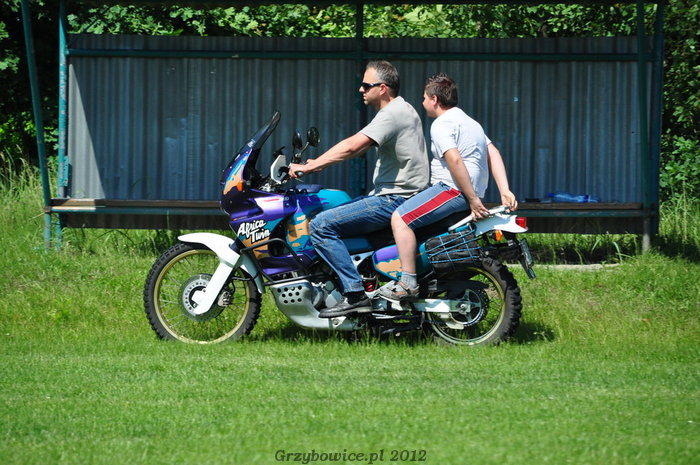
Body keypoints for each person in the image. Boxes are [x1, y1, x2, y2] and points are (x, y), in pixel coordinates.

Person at [289, 60, 429, 318]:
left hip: (394, 199)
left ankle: (354, 294)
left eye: (366, 85)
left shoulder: (392, 113)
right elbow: (359, 148)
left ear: (383, 88)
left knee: (320, 225)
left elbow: (353, 145)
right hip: (402, 196)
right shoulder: (402, 109)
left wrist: (311, 167)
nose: (360, 89)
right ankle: (363, 279)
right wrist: (317, 163)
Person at [378, 73, 518, 301]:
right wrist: (505, 189)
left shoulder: (442, 124)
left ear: (434, 99)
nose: (423, 102)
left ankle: (407, 283)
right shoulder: (470, 122)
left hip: (452, 190)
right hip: (465, 192)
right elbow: (493, 152)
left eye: (424, 98)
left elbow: (454, 159)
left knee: (400, 218)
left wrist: (472, 199)